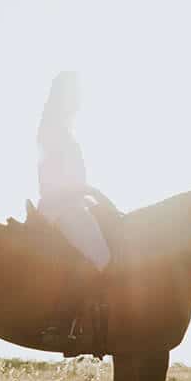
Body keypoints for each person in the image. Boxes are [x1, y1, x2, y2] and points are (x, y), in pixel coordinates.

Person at [37, 71, 111, 270]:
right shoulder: (55, 132)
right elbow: (53, 184)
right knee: (103, 259)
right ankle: (94, 302)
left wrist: (88, 197)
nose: (79, 101)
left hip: (70, 205)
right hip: (62, 210)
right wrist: (91, 191)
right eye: (75, 95)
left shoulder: (60, 131)